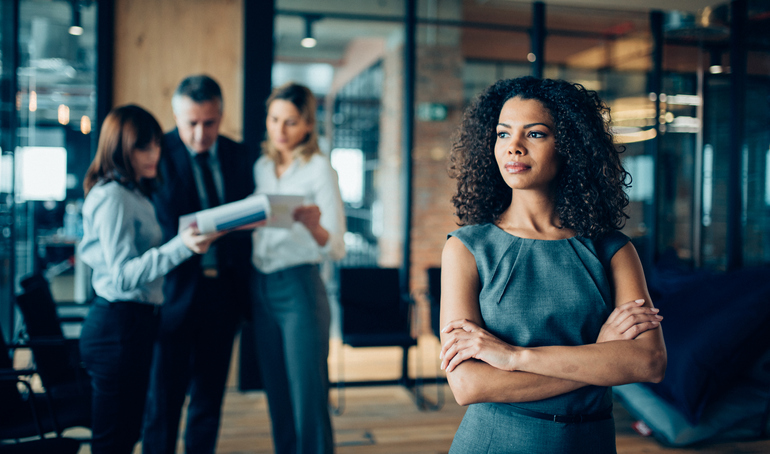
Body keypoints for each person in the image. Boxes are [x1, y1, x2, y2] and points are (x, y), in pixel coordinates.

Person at [439, 76, 667, 453]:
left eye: (535, 134)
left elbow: (648, 362)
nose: (513, 147)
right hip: (497, 442)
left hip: (591, 442)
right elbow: (470, 386)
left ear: (570, 145)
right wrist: (599, 355)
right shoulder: (468, 249)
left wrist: (513, 358)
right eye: (502, 134)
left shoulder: (613, 249)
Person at [78, 105, 220, 454]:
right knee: (113, 442)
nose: (155, 154)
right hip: (117, 327)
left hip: (135, 324)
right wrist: (182, 246)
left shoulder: (133, 193)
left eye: (156, 144)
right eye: (144, 147)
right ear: (121, 148)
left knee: (126, 436)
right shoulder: (113, 197)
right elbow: (124, 275)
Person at [143, 75, 257, 454]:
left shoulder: (237, 154)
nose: (199, 134)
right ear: (176, 116)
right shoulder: (156, 153)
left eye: (209, 123)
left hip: (223, 294)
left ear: (220, 115)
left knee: (208, 402)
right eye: (190, 123)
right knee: (163, 404)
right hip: (173, 296)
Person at [250, 82, 346, 454]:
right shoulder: (261, 167)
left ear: (307, 125)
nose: (280, 130)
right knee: (277, 395)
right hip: (261, 286)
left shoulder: (320, 169)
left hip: (299, 287)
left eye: (290, 122)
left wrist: (313, 225)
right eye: (274, 119)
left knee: (308, 396)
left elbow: (336, 245)